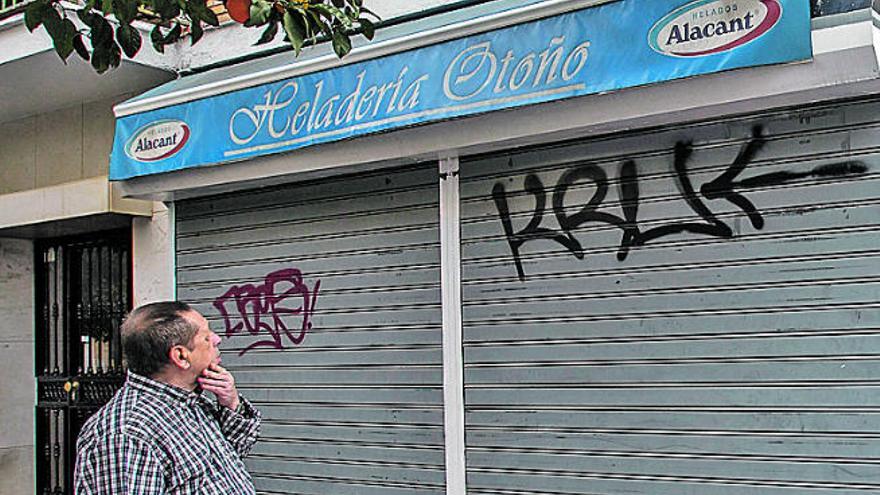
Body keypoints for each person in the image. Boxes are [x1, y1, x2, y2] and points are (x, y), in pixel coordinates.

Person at [74, 301, 262, 494]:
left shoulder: (190, 403)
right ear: (181, 356)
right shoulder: (127, 435)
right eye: (206, 337)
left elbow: (229, 460)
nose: (217, 339)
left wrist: (230, 403)